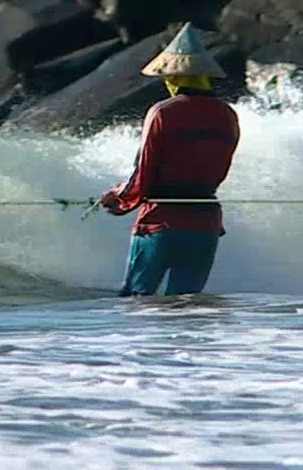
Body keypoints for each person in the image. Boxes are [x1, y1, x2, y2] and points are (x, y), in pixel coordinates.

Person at [98, 23, 241, 297]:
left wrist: (118, 197)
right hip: (206, 223)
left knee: (138, 300)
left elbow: (143, 170)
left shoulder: (162, 112)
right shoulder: (228, 115)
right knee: (188, 305)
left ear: (173, 77)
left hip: (160, 221)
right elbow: (218, 168)